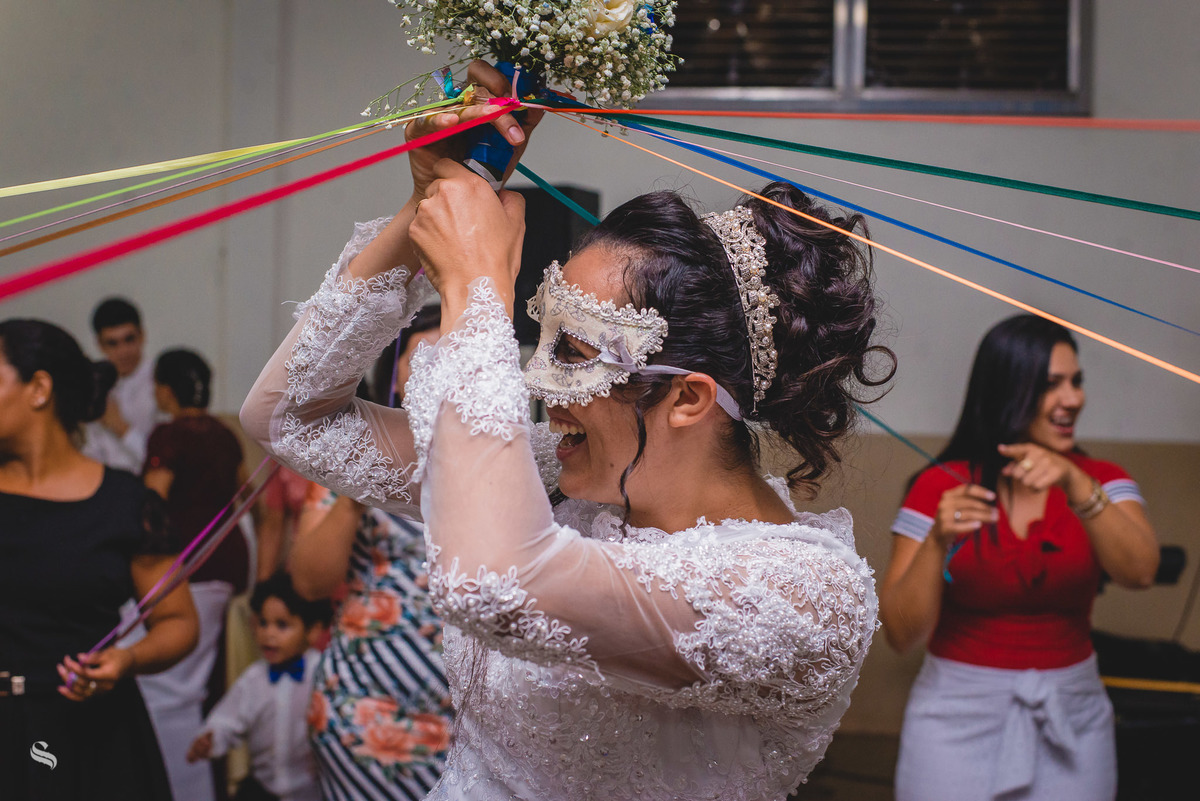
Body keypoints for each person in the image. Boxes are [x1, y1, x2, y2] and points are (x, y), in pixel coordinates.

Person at [241, 62, 893, 800]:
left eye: (574, 355)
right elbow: (290, 416)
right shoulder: (568, 479)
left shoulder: (804, 592)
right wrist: (431, 204)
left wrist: (477, 290)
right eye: (539, 340)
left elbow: (492, 581)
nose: (537, 384)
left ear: (687, 398)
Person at [878, 314, 1159, 801]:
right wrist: (937, 543)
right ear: (1010, 388)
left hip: (1072, 713)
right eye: (1052, 385)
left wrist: (1074, 483)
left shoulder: (1101, 479)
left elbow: (1140, 572)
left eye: (1076, 382)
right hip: (955, 714)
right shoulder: (939, 486)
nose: (1073, 399)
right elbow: (902, 636)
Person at [0, 318, 198, 801]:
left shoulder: (124, 503)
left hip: (91, 736)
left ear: (38, 388)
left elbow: (178, 622)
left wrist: (127, 659)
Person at [291, 305, 453, 801]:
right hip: (363, 701)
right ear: (396, 374)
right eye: (420, 359)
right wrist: (359, 489)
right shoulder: (354, 455)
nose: (434, 370)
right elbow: (310, 582)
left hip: (468, 715)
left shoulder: (505, 458)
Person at [139, 347, 253, 801]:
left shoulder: (167, 437)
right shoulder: (225, 435)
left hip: (185, 568)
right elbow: (247, 495)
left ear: (165, 389)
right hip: (226, 564)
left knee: (171, 692)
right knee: (196, 684)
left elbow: (151, 506)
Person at [187, 571, 331, 801]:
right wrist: (211, 739)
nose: (268, 634)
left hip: (313, 791)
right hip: (263, 791)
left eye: (282, 625)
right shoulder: (253, 680)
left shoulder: (323, 672)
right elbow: (227, 719)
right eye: (263, 623)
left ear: (313, 631)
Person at [83, 297, 163, 473]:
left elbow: (166, 462)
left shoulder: (162, 383)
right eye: (112, 343)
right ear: (100, 345)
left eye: (129, 339)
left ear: (142, 335)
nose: (123, 351)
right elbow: (91, 450)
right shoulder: (95, 383)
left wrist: (121, 427)